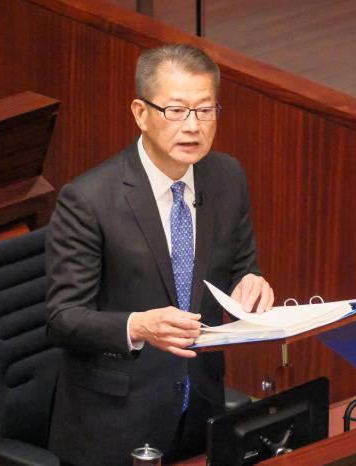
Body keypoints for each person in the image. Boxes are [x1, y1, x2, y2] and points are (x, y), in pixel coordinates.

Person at [45, 43, 274, 465]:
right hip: (113, 423)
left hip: (200, 409)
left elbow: (243, 266)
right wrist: (138, 326)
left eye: (205, 110)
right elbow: (63, 319)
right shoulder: (89, 200)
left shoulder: (227, 177)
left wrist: (251, 283)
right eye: (176, 110)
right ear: (140, 113)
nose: (193, 126)